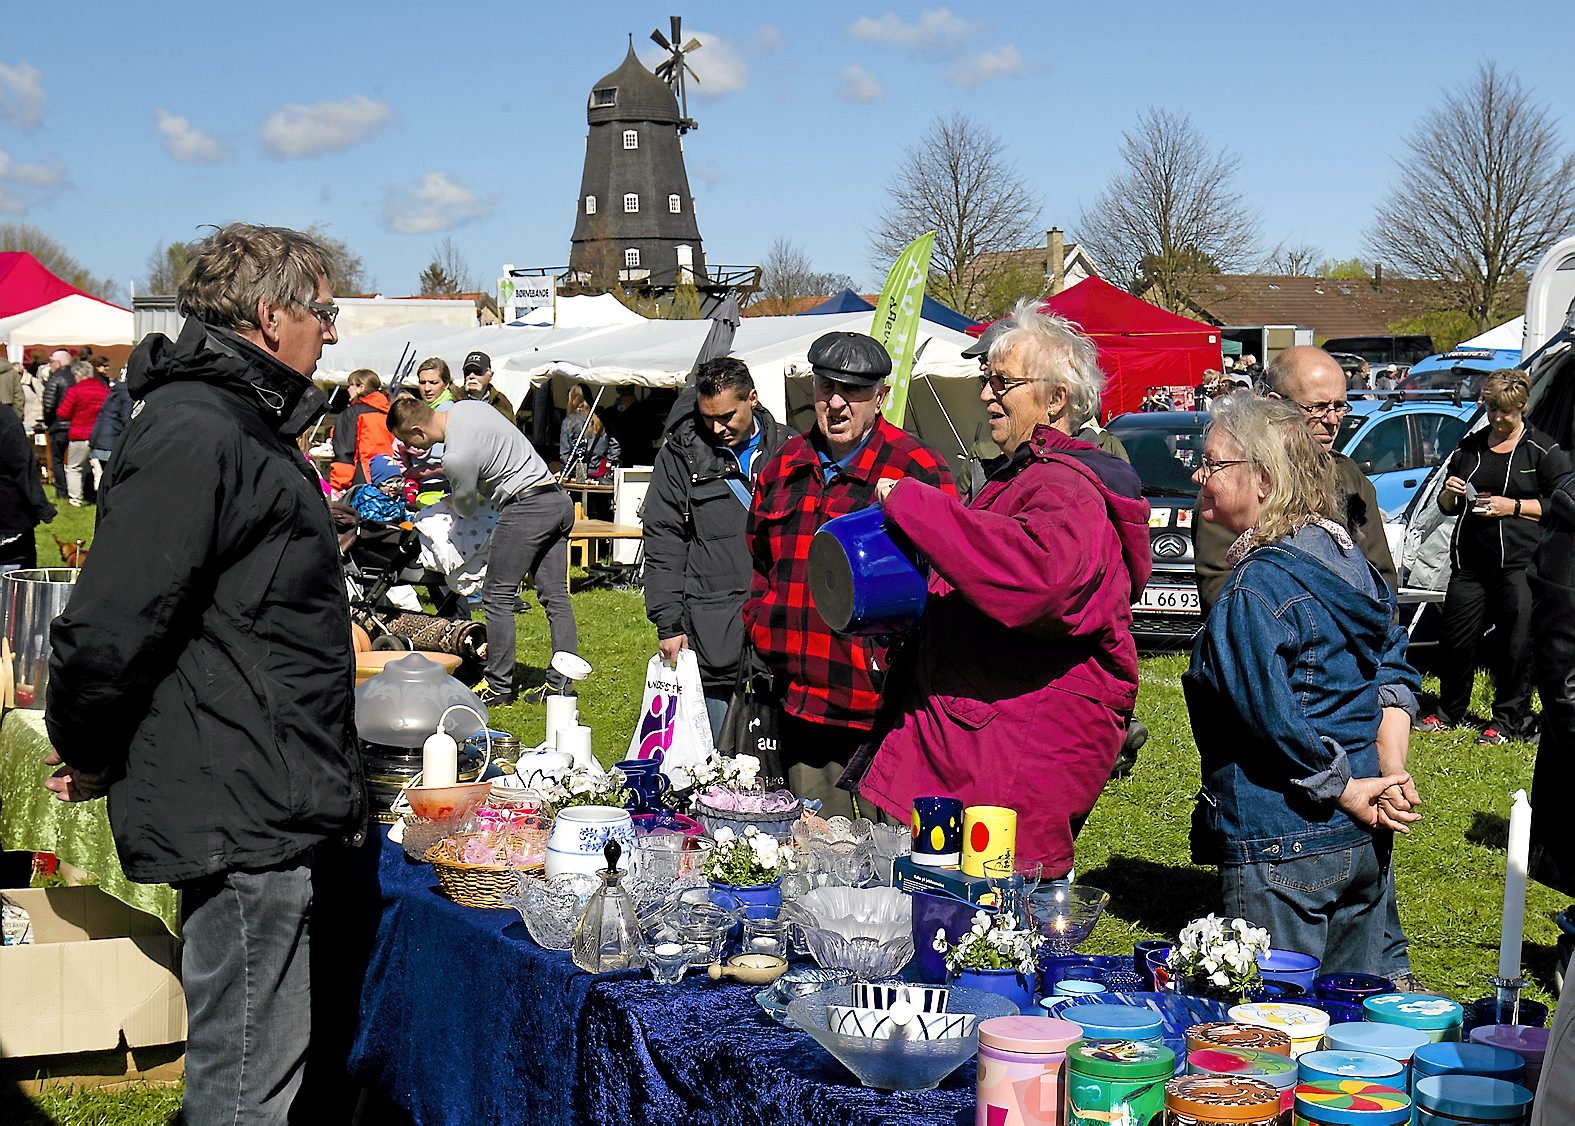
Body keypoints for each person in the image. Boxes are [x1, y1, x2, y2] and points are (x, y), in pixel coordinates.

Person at [43, 222, 362, 1124]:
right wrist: (91, 746)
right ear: (270, 316)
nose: (331, 332)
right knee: (243, 1084)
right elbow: (111, 624)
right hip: (239, 794)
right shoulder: (196, 429)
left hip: (258, 780)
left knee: (257, 1067)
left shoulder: (231, 422)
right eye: (323, 313)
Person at [849, 304, 1151, 875]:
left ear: (1056, 399)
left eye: (1001, 382)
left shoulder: (1065, 487)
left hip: (1014, 754)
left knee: (991, 926)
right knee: (950, 916)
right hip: (985, 741)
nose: (987, 395)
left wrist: (918, 506)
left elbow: (1040, 581)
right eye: (985, 380)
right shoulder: (1028, 473)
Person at [1183, 393, 1421, 973]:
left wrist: (1339, 784)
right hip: (1360, 829)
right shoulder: (1345, 558)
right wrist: (1382, 771)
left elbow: (1266, 715)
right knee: (1353, 1029)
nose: (1200, 474)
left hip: (1282, 833)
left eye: (1214, 463)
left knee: (1274, 1029)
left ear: (1263, 480)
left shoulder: (1255, 588)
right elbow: (1390, 662)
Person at [741, 331, 955, 818]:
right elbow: (758, 562)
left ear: (880, 397)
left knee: (890, 862)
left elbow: (948, 578)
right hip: (803, 703)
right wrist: (760, 625)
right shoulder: (783, 465)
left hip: (887, 711)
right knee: (817, 860)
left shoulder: (916, 469)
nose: (836, 403)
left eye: (854, 391)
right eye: (825, 387)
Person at [389, 395, 578, 706]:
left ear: (417, 432)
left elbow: (465, 506)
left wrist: (450, 500)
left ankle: (498, 685)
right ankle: (561, 686)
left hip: (525, 507)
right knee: (555, 597)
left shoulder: (454, 456)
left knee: (497, 595)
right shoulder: (468, 407)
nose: (412, 449)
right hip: (556, 498)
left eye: (407, 440)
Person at [1420, 369, 1571, 743]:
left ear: (1523, 407)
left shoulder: (1542, 450)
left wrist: (1513, 506)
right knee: (1456, 641)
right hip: (1470, 564)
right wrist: (1450, 492)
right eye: (1492, 411)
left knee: (1515, 647)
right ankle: (1448, 710)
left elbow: (1562, 504)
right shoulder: (1470, 447)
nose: (1498, 419)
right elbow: (1447, 505)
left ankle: (1506, 720)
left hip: (1520, 563)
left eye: (1506, 412)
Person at [643, 358, 788, 737]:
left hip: (781, 623)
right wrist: (669, 623)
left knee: (780, 762)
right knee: (717, 757)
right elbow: (663, 539)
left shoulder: (791, 449)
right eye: (707, 417)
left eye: (726, 416)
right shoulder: (681, 454)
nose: (717, 428)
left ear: (752, 399)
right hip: (711, 626)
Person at [1194, 346, 1396, 615]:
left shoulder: (1348, 477)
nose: (1333, 420)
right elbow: (1219, 587)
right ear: (1276, 404)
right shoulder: (1234, 482)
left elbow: (1381, 580)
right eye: (1318, 408)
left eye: (1339, 406)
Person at [0, 395, 55, 572]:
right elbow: (23, 466)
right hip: (9, 520)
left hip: (9, 517)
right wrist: (41, 506)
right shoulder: (5, 418)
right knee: (13, 589)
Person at [328, 368, 393, 492]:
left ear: (361, 388)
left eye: (351, 385)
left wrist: (337, 486)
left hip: (362, 477)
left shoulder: (352, 414)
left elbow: (345, 451)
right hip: (390, 476)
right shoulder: (389, 413)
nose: (348, 389)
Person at [55, 359, 108, 507]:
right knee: (99, 468)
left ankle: (75, 499)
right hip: (100, 435)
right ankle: (101, 498)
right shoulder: (104, 390)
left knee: (73, 467)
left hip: (80, 434)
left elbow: (63, 413)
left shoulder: (75, 391)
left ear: (78, 374)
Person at [559, 382, 618, 477]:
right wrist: (609, 462)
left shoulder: (569, 422)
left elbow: (564, 454)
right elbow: (616, 442)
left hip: (579, 472)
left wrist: (566, 472)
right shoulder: (602, 419)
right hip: (600, 471)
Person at [87, 360, 133, 475]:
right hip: (109, 442)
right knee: (113, 478)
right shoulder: (126, 393)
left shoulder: (118, 391)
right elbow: (127, 419)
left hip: (101, 439)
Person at [40, 348, 73, 499]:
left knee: (57, 460)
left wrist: (48, 422)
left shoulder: (56, 378)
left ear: (58, 363)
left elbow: (48, 404)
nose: (50, 365)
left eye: (51, 361)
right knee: (74, 462)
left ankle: (62, 492)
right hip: (75, 426)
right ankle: (76, 490)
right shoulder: (76, 376)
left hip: (58, 425)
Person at [345, 453, 409, 524]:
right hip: (376, 532)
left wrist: (415, 518)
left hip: (393, 529)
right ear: (377, 484)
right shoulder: (370, 500)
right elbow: (372, 522)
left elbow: (404, 514)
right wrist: (396, 526)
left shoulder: (397, 497)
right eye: (389, 482)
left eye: (398, 481)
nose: (395, 485)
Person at [460, 350, 514, 420]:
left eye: (477, 372)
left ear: (490, 376)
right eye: (467, 372)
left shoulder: (502, 402)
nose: (471, 376)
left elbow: (509, 429)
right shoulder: (454, 399)